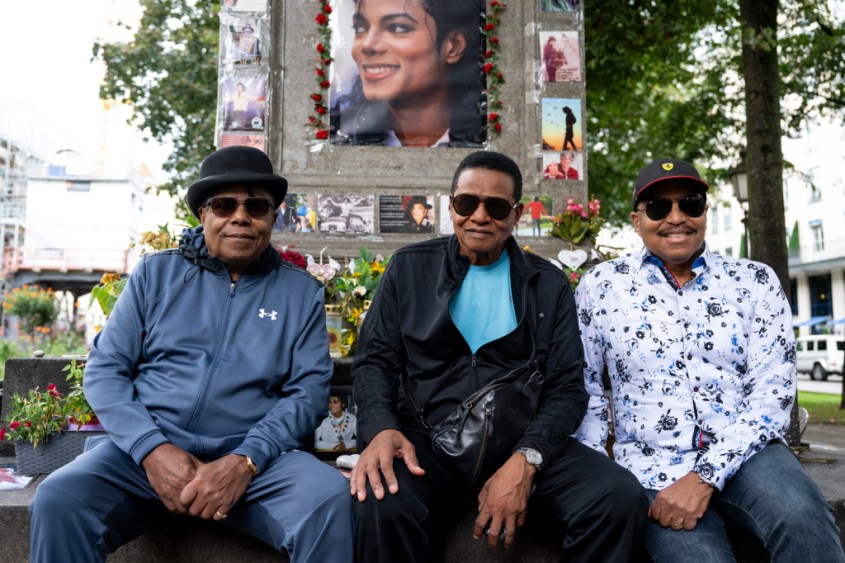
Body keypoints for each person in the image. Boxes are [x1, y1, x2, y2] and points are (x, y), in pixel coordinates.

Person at [29, 146, 354, 563]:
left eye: (256, 206)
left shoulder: (301, 291)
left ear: (273, 217)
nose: (240, 216)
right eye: (224, 205)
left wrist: (245, 461)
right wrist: (151, 449)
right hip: (143, 460)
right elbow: (106, 370)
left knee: (330, 502)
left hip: (256, 467)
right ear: (203, 215)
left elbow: (308, 393)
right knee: (58, 498)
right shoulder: (155, 273)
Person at [350, 150, 647, 562]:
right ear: (450, 204)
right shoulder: (409, 268)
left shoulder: (547, 283)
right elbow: (375, 362)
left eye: (496, 206)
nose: (480, 217)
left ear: (517, 212)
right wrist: (381, 428)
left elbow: (566, 389)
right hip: (427, 442)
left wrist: (527, 460)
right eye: (467, 203)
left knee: (618, 498)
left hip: (517, 441)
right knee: (381, 498)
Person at [573, 158, 845, 563]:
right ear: (636, 219)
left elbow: (773, 396)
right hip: (653, 464)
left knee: (805, 521)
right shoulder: (600, 286)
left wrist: (704, 477)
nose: (676, 218)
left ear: (705, 210)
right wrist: (597, 478)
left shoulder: (755, 281)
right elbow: (586, 386)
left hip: (750, 454)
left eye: (690, 203)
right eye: (659, 207)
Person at [331, 0, 485, 147]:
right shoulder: (336, 136)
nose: (367, 45)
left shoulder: (487, 138)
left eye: (397, 28)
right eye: (360, 28)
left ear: (453, 47)